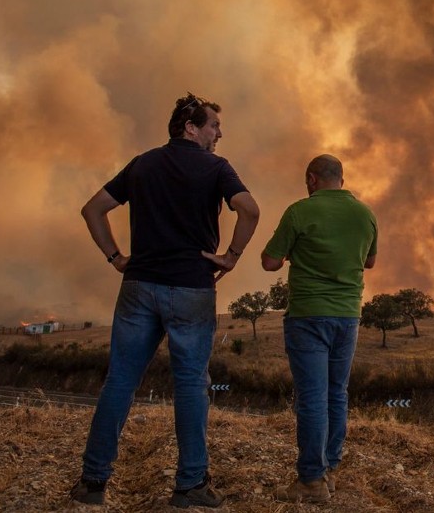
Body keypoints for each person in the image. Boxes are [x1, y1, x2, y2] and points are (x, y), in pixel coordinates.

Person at [71, 93, 260, 508]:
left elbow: (92, 210)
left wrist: (116, 257)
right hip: (191, 287)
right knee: (191, 384)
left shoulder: (142, 164)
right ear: (190, 127)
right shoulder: (216, 168)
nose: (219, 134)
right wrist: (231, 257)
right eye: (213, 126)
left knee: (120, 381)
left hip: (139, 286)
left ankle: (92, 483)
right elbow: (249, 210)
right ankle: (190, 485)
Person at [261, 154, 378, 503]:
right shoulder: (365, 214)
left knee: (312, 397)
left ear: (312, 179)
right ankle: (330, 467)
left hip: (308, 315)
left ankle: (312, 480)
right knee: (336, 393)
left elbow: (269, 262)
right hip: (347, 316)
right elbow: (369, 260)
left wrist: (296, 252)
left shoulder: (300, 211)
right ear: (341, 178)